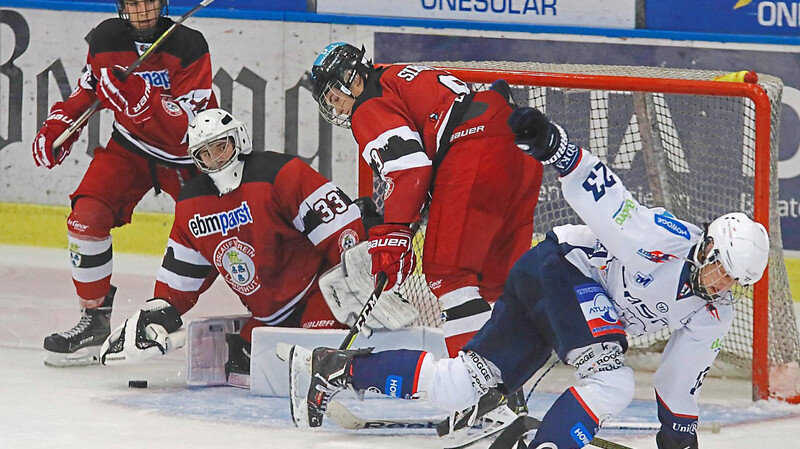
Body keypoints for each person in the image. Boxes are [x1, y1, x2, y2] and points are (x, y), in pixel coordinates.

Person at [290, 107, 770, 449]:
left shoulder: (714, 311)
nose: (723, 283)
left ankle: (338, 368)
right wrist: (558, 148)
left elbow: (682, 377)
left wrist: (679, 438)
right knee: (611, 380)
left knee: (461, 385)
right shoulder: (664, 239)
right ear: (706, 245)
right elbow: (613, 203)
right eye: (721, 268)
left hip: (555, 298)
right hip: (559, 270)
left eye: (735, 281)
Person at [308, 43, 544, 357]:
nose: (337, 109)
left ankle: (479, 392)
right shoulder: (396, 77)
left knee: (449, 276)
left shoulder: (369, 104)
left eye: (335, 98)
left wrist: (393, 231)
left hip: (476, 148)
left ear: (351, 80)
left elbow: (409, 167)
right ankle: (507, 394)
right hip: (519, 151)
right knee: (494, 287)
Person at [99, 108, 365, 376]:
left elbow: (343, 233)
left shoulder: (281, 173)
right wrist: (152, 317)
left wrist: (365, 283)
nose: (215, 159)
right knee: (239, 365)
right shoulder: (192, 204)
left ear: (239, 139)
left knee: (312, 367)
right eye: (205, 154)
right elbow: (178, 281)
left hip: (320, 295)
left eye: (220, 147)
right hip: (268, 317)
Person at [33, 0, 217, 367]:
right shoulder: (105, 39)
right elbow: (87, 92)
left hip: (190, 157)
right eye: (133, 2)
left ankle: (259, 312)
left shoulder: (190, 45)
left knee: (216, 232)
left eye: (149, 1)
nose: (143, 10)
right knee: (86, 219)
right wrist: (59, 126)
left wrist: (142, 97)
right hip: (130, 147)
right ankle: (94, 322)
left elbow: (189, 127)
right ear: (121, 6)